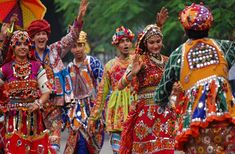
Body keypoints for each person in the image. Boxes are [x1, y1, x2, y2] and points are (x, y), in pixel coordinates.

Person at [154, 3, 235, 153]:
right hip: (227, 118)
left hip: (196, 125)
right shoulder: (225, 47)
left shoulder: (177, 55)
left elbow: (160, 95)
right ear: (209, 25)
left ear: (185, 29)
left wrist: (166, 103)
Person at [27, 0, 88, 151]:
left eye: (43, 34)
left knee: (54, 145)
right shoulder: (27, 56)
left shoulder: (55, 50)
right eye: (37, 34)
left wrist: (79, 18)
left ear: (47, 36)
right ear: (32, 38)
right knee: (38, 146)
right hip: (34, 107)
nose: (41, 37)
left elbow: (72, 36)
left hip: (55, 105)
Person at [118, 22, 179, 153]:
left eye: (158, 41)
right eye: (151, 42)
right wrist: (132, 74)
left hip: (166, 114)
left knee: (166, 150)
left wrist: (176, 87)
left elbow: (174, 85)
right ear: (146, 44)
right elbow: (120, 86)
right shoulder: (139, 60)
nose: (156, 45)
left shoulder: (168, 61)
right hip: (145, 114)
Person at [0, 30, 52, 154]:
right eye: (18, 44)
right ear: (13, 47)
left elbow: (46, 91)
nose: (22, 47)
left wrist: (38, 103)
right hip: (12, 119)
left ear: (29, 47)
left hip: (33, 117)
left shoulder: (37, 66)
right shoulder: (6, 69)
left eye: (25, 44)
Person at [88, 26, 135, 153]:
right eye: (122, 41)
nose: (125, 44)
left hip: (135, 109)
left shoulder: (138, 61)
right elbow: (102, 93)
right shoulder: (110, 66)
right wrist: (94, 117)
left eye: (128, 40)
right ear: (116, 44)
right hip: (116, 112)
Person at [63, 31, 104, 153]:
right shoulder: (68, 68)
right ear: (70, 49)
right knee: (79, 145)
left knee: (92, 147)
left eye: (80, 45)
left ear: (84, 45)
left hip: (93, 110)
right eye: (74, 46)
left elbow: (104, 87)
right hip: (75, 112)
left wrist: (101, 110)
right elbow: (66, 93)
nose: (77, 49)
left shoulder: (93, 63)